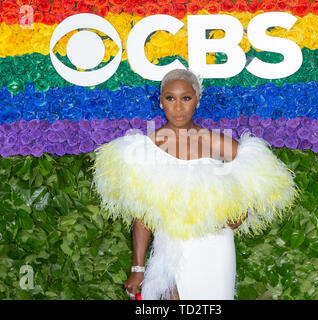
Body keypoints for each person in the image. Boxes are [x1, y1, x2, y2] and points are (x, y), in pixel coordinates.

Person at [92, 69, 299, 300]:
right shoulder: (145, 149)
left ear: (197, 100)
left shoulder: (218, 142)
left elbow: (260, 178)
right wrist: (138, 268)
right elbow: (142, 215)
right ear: (161, 102)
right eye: (170, 98)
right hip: (170, 247)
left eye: (186, 98)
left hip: (215, 246)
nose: (178, 106)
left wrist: (242, 212)